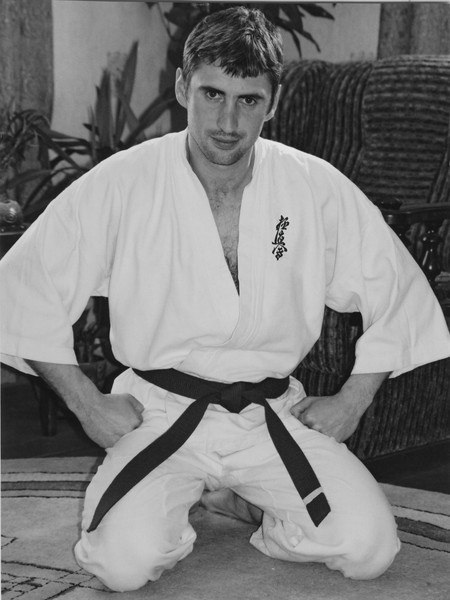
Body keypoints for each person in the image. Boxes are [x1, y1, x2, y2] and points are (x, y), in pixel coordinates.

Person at [1, 7, 449, 593]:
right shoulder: (124, 181)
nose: (228, 121)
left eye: (249, 100)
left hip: (270, 414)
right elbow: (22, 286)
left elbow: (399, 288)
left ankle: (242, 503)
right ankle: (191, 498)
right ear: (183, 87)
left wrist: (353, 400)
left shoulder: (311, 186)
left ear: (273, 102)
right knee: (124, 564)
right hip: (160, 411)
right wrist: (88, 405)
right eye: (212, 94)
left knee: (368, 549)